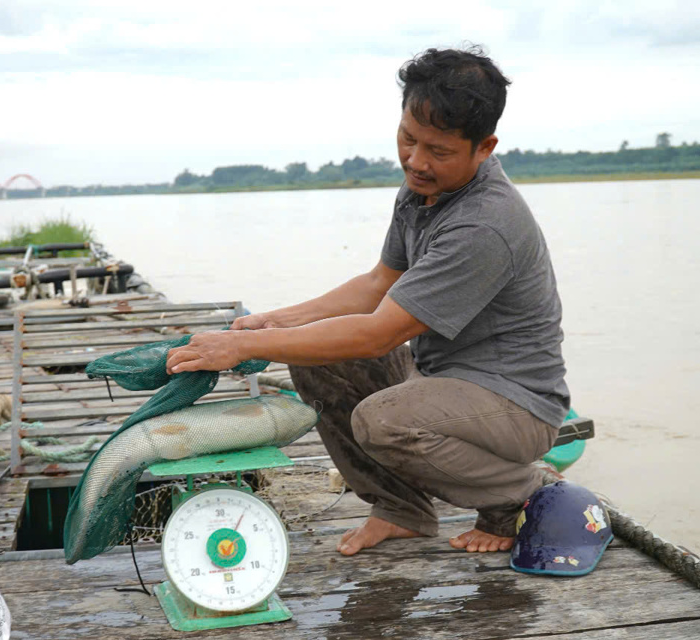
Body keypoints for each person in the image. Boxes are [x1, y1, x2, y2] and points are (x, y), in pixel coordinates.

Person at [166, 45, 569, 557]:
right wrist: (272, 323)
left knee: (382, 421)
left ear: (484, 147)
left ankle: (520, 495)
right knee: (317, 364)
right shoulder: (424, 189)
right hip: (444, 381)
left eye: (438, 151)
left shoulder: (485, 223)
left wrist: (242, 349)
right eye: (408, 139)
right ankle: (400, 508)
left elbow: (381, 331)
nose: (416, 162)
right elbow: (380, 282)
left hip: (515, 405)